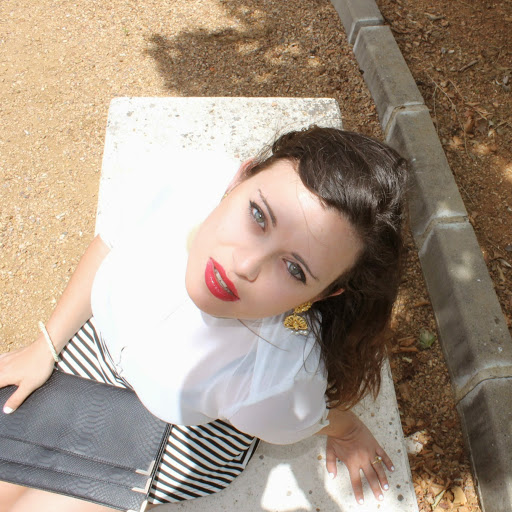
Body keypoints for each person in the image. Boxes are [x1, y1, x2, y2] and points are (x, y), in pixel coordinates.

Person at [0, 126, 408, 512]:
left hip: (185, 435)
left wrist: (348, 430)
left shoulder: (276, 377)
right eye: (258, 216)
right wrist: (46, 346)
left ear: (320, 296)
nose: (244, 265)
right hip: (93, 353)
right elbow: (111, 242)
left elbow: (302, 417)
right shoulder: (182, 182)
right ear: (240, 177)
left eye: (294, 269)